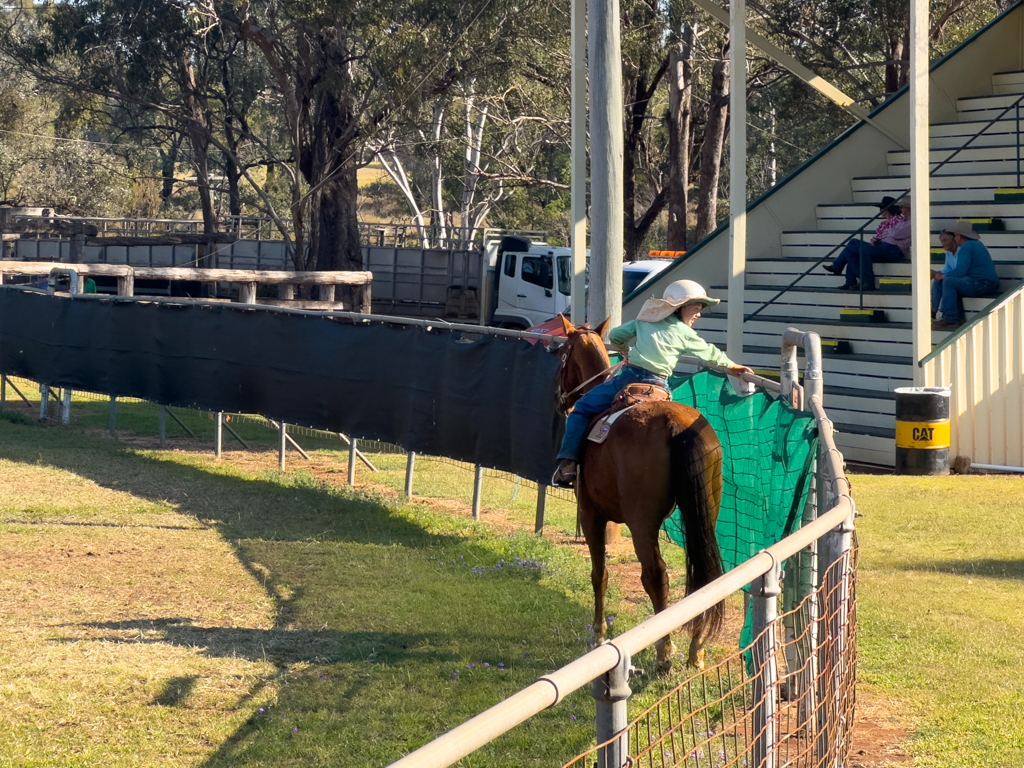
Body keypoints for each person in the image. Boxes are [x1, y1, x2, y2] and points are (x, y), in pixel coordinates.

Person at [551, 280, 752, 488]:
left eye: (699, 310)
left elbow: (615, 335)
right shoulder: (685, 334)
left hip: (629, 379)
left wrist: (624, 350)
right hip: (659, 386)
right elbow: (711, 354)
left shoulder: (645, 321)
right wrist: (732, 367)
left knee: (581, 408)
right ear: (680, 307)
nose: (698, 314)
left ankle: (567, 464)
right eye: (696, 308)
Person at [822, 195, 911, 291]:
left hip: (894, 249)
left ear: (908, 208)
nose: (900, 209)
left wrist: (886, 235)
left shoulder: (910, 222)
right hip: (886, 245)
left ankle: (863, 280)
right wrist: (886, 235)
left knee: (858, 250)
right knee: (853, 244)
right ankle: (851, 278)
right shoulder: (903, 220)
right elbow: (888, 233)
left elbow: (894, 234)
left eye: (901, 207)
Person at [933, 220, 1000, 329]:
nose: (954, 238)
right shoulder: (973, 245)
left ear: (961, 236)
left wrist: (943, 276)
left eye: (955, 235)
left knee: (949, 281)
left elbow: (960, 271)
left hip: (984, 283)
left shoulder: (968, 246)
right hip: (983, 282)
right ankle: (934, 312)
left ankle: (951, 317)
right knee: (942, 281)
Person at [930, 230, 958, 320]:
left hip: (962, 278)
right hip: (953, 278)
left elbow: (961, 270)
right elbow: (948, 270)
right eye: (942, 241)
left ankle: (948, 316)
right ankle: (932, 312)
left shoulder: (962, 251)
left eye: (945, 240)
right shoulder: (949, 253)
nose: (943, 244)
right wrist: (937, 274)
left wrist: (942, 275)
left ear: (953, 240)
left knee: (946, 280)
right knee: (937, 281)